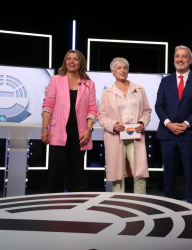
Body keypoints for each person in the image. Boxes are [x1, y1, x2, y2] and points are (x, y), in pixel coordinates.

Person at [155, 45, 192, 206]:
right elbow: (159, 105)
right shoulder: (165, 81)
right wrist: (168, 123)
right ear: (173, 60)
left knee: (191, 173)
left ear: (190, 60)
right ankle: (169, 206)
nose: (180, 59)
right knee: (168, 173)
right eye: (177, 56)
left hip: (189, 134)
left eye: (184, 56)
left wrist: (186, 124)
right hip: (167, 134)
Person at [41, 49, 98, 192]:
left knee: (76, 171)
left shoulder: (88, 84)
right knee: (56, 170)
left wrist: (88, 130)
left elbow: (92, 109)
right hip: (58, 130)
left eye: (75, 59)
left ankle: (72, 207)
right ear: (65, 62)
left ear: (81, 63)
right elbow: (48, 105)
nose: (71, 62)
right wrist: (44, 128)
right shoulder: (56, 80)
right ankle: (55, 205)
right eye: (69, 59)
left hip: (80, 132)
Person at [98, 57, 152, 194]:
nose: (122, 71)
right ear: (113, 71)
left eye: (125, 68)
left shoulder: (139, 90)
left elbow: (147, 111)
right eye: (119, 68)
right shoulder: (107, 93)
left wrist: (142, 123)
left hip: (135, 136)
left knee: (139, 173)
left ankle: (141, 204)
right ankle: (118, 204)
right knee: (117, 174)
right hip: (116, 136)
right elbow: (101, 116)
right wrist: (114, 125)